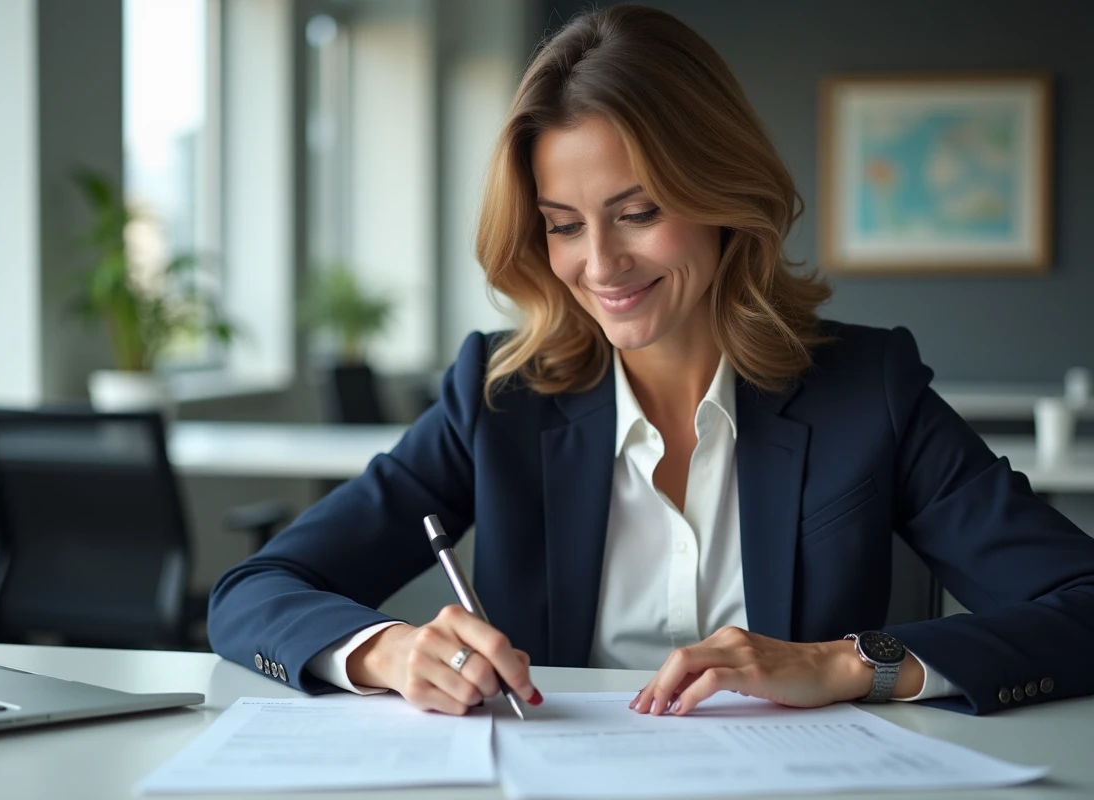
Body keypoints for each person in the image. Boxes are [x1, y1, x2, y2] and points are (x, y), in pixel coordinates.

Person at [208, 4, 1094, 717]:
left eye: (638, 213)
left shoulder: (872, 392)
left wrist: (847, 664)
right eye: (562, 225)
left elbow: (1081, 602)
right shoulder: (499, 399)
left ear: (721, 197)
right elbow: (256, 589)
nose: (600, 265)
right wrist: (389, 651)